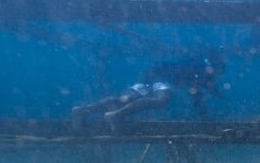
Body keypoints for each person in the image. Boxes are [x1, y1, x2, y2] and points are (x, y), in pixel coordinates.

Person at [71, 54, 225, 131]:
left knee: (123, 99)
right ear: (213, 67)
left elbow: (204, 86)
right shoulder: (200, 68)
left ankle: (83, 110)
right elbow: (197, 92)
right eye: (217, 72)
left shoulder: (198, 65)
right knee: (161, 101)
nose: (216, 76)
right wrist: (206, 118)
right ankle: (115, 115)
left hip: (150, 75)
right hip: (163, 80)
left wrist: (215, 93)